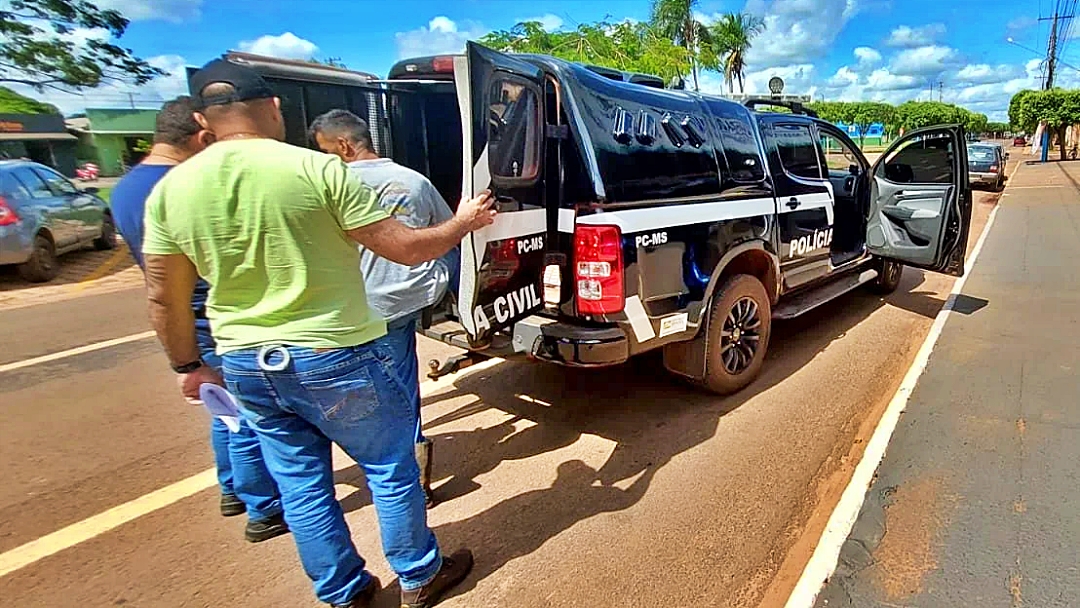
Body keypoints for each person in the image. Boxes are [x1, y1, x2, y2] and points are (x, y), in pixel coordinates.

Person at [140, 59, 494, 608]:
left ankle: (343, 592)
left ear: (202, 120)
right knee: (388, 465)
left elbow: (163, 294)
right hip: (335, 353)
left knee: (302, 484)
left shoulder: (171, 189)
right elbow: (404, 247)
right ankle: (420, 573)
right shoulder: (316, 170)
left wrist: (189, 366)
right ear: (274, 108)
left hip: (245, 362)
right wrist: (463, 224)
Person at [110, 96, 286, 543]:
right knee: (249, 416)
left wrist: (183, 363)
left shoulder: (126, 188)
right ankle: (262, 509)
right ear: (202, 134)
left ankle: (232, 490)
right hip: (221, 313)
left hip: (184, 317)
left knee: (223, 409)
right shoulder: (187, 183)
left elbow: (158, 282)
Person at [308, 109, 457, 508]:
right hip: (405, 300)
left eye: (325, 150)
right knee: (400, 390)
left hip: (347, 307)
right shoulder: (414, 181)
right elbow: (450, 232)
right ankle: (413, 475)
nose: (324, 158)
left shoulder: (328, 185)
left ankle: (382, 468)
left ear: (343, 145)